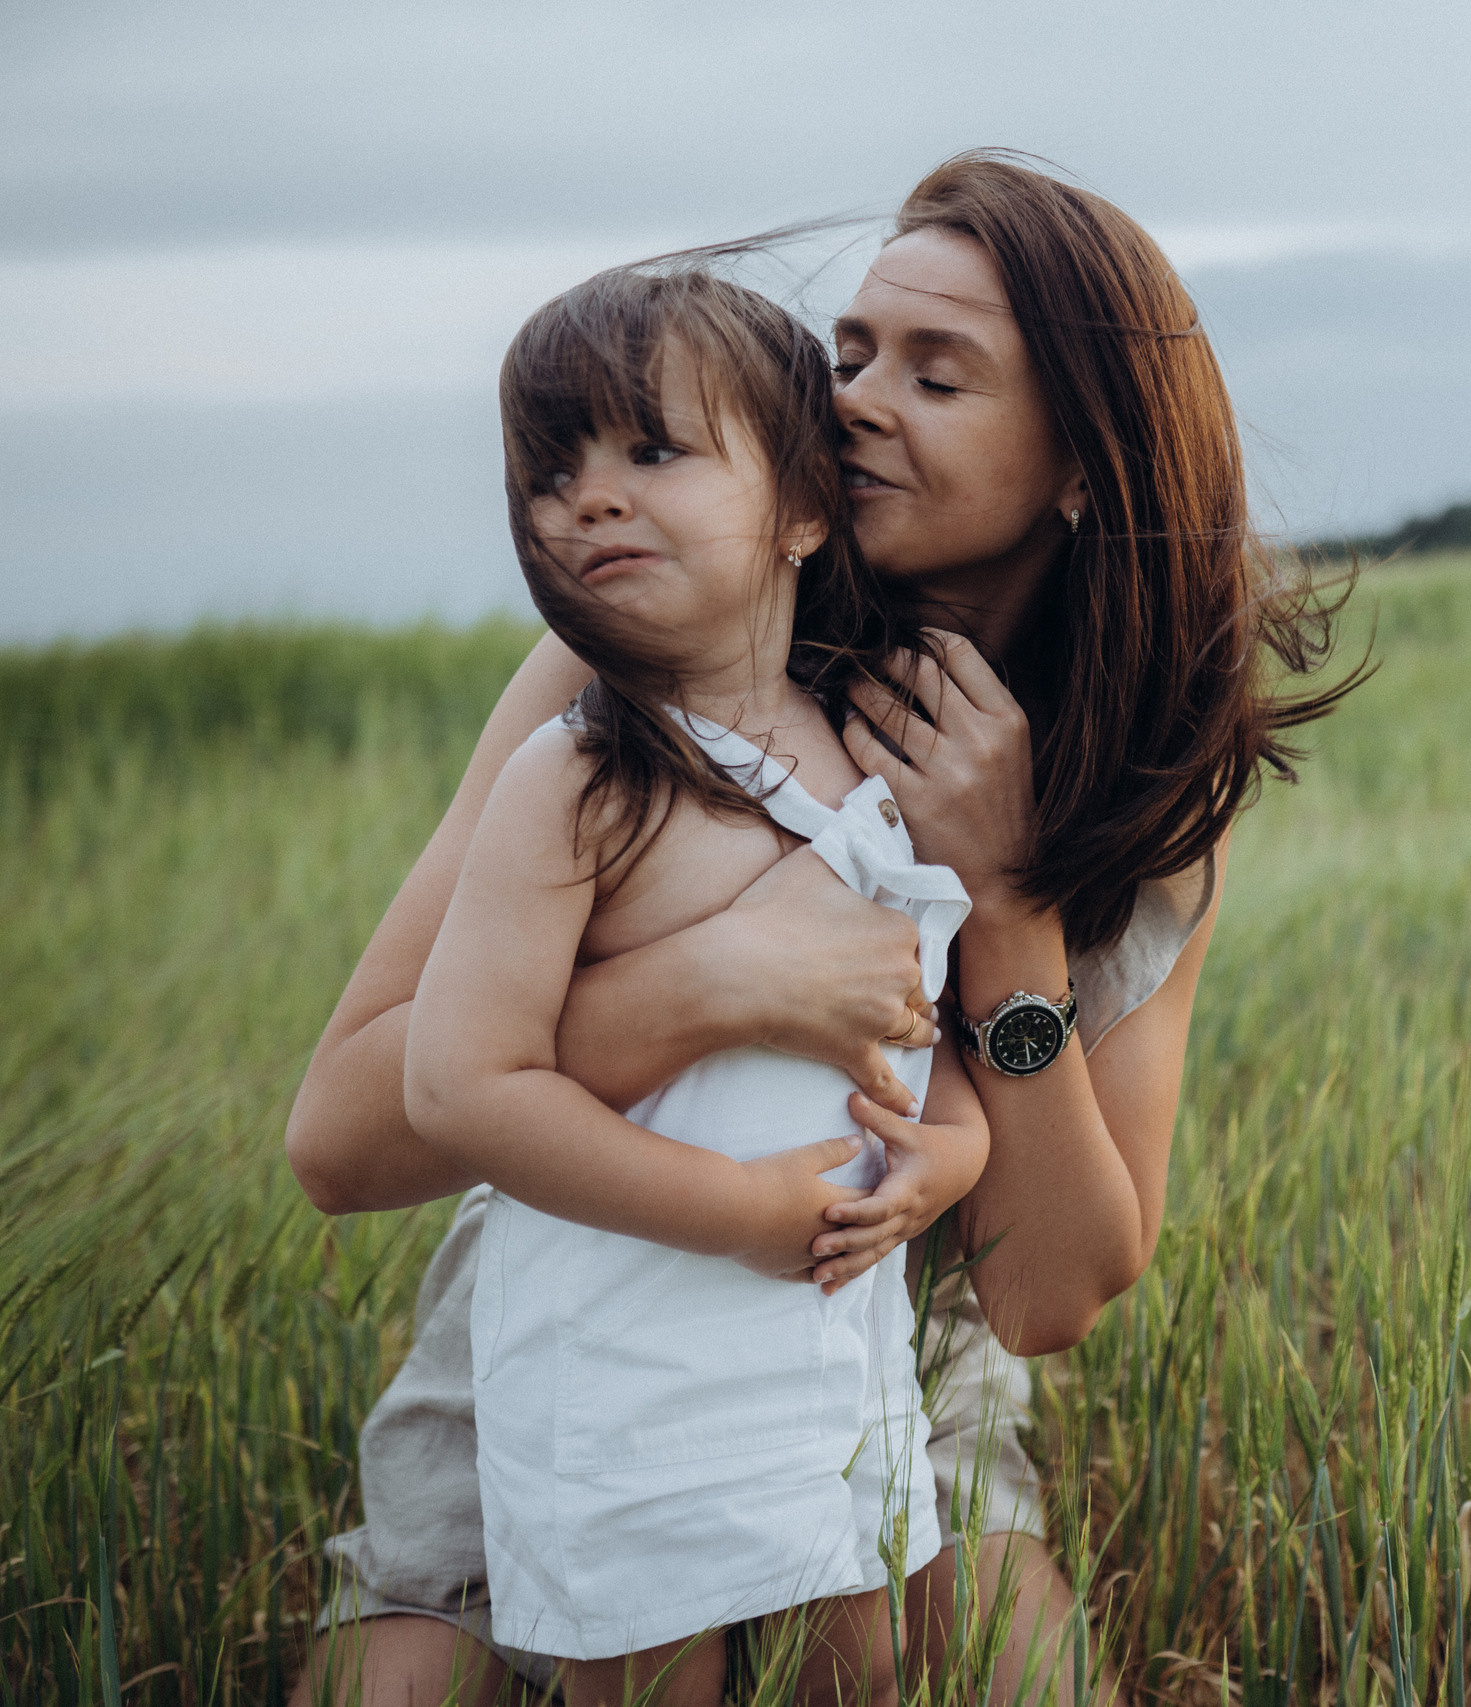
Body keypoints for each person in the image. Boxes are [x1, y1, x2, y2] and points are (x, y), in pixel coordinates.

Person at [286, 151, 1357, 1707]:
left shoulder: (1138, 794)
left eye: (939, 372)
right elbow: (346, 1139)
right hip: (591, 1294)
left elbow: (1049, 1293)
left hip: (888, 1343)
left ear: (1082, 463)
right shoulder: (645, 670)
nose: (855, 398)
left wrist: (1001, 902)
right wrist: (716, 983)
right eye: (850, 352)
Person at [404, 263, 990, 1703]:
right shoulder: (579, 779)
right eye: (551, 469)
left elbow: (926, 1048)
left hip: (832, 1374)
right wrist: (734, 1210)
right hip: (627, 1401)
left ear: (803, 507)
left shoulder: (876, 759)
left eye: (649, 450)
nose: (585, 498)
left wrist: (950, 1158)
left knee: (861, 1674)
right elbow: (457, 1084)